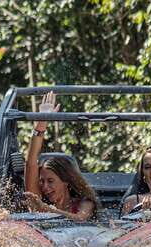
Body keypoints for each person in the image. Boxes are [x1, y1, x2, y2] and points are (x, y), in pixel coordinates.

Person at [23, 91, 98, 222]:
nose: (45, 187)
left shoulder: (84, 203)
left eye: (50, 181)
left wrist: (47, 209)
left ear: (66, 181)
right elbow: (31, 163)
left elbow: (80, 219)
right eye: (42, 181)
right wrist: (41, 123)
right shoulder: (38, 200)